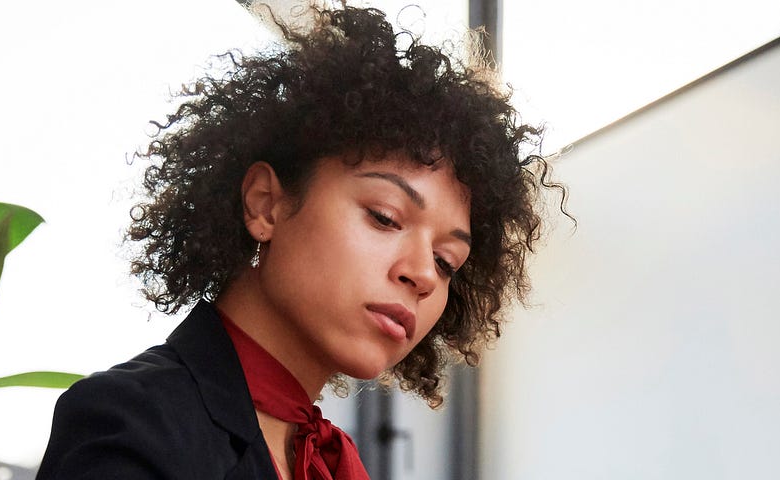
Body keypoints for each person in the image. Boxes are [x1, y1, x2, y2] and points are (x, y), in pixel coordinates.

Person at [36, 4, 562, 479]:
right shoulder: (131, 422)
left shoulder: (331, 461)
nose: (423, 275)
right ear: (266, 203)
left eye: (448, 262)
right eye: (384, 217)